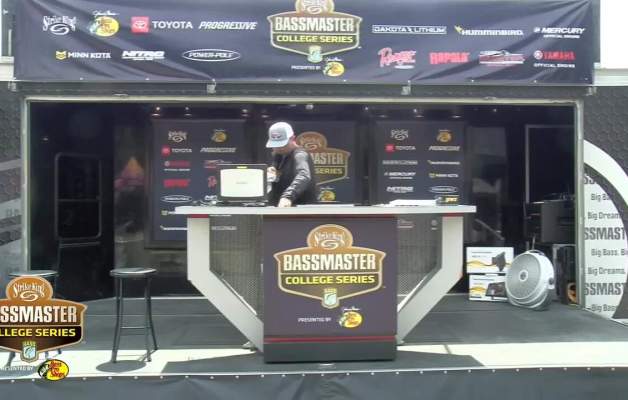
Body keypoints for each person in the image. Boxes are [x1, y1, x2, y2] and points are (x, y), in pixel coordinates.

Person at [265, 121, 317, 207]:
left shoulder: (300, 154)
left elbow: (303, 175)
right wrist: (273, 171)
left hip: (302, 208)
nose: (279, 148)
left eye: (283, 144)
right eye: (276, 145)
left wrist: (288, 196)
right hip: (280, 208)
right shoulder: (278, 156)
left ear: (293, 138)